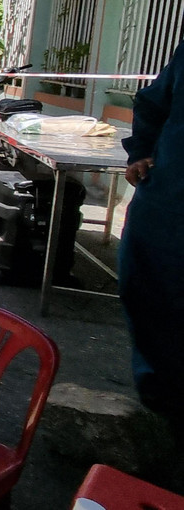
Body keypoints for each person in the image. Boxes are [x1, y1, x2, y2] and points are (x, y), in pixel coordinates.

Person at [119, 40, 184, 436]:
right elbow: (153, 103)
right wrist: (140, 151)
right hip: (168, 202)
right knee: (147, 287)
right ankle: (162, 402)